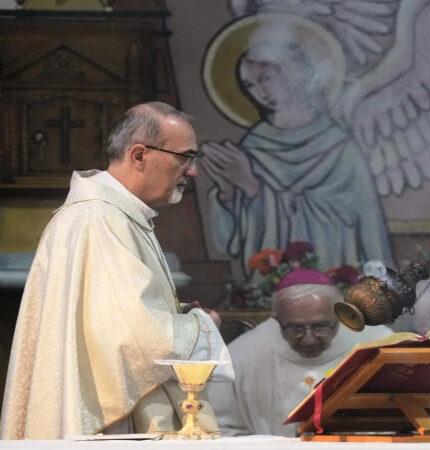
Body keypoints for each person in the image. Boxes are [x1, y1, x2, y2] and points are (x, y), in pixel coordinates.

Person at [0, 102, 232, 439]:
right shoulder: (101, 219)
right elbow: (134, 338)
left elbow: (112, 320)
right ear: (139, 155)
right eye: (185, 157)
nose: (192, 171)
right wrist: (203, 325)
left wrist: (176, 314)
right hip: (112, 427)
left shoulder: (112, 215)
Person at [200, 29, 394, 275]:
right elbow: (232, 242)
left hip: (337, 277)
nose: (260, 92)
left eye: (266, 78)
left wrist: (252, 186)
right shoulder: (254, 145)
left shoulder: (338, 146)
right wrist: (228, 192)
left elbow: (367, 224)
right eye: (250, 84)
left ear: (292, 72)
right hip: (275, 286)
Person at [209, 269, 392, 436]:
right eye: (295, 328)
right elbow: (221, 428)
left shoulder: (380, 345)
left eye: (320, 326)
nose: (308, 339)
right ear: (277, 319)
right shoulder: (243, 354)